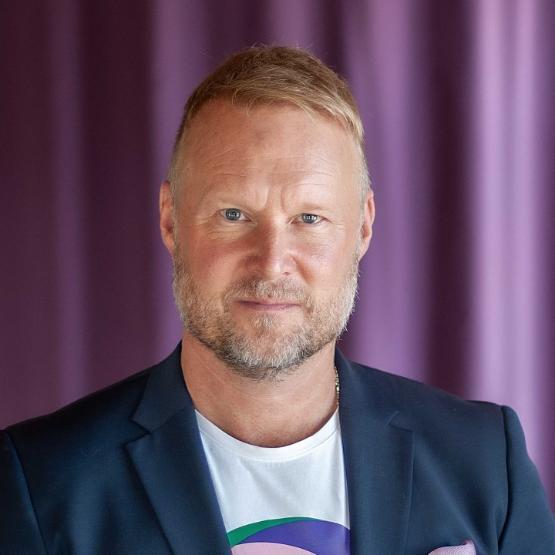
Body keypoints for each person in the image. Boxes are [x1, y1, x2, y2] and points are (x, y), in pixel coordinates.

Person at [1, 46, 553, 555]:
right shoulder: (41, 481)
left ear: (362, 228)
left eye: (309, 219)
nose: (270, 261)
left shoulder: (484, 462)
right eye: (233, 215)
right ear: (171, 220)